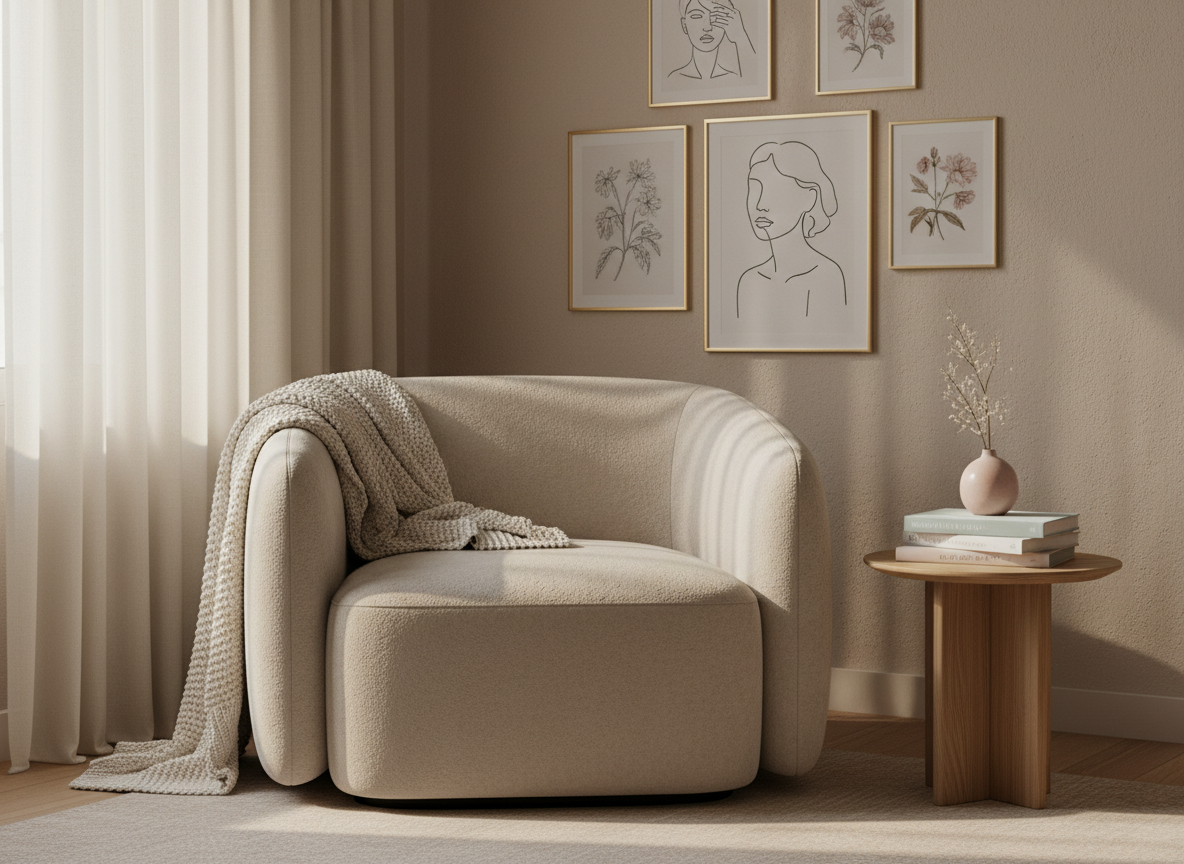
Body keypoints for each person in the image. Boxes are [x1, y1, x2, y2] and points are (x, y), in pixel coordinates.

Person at [736, 142, 849, 327]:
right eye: (754, 189)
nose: (760, 204)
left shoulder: (825, 275)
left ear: (810, 197)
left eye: (775, 189)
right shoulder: (750, 280)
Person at [669, 0, 756, 81]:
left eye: (716, 16)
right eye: (697, 16)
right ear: (684, 25)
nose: (707, 27)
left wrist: (740, 37)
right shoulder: (673, 78)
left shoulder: (735, 78)